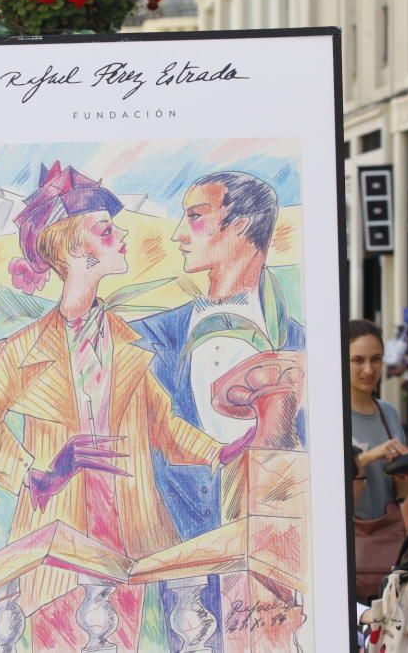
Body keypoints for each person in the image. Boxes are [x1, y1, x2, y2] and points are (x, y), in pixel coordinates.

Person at [0, 162, 237, 642]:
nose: (122, 237)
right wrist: (38, 473)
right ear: (71, 248)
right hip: (58, 534)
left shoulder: (127, 343)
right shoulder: (20, 350)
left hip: (128, 528)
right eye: (106, 230)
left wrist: (223, 451)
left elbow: (165, 428)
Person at [132, 171, 307, 540]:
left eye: (195, 217)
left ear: (240, 226)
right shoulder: (148, 339)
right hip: (177, 557)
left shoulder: (301, 346)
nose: (178, 233)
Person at [349, 320, 408, 593]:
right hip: (347, 550)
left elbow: (398, 494)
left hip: (386, 553)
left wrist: (405, 473)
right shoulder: (331, 416)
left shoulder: (388, 414)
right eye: (358, 360)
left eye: (376, 359)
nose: (369, 370)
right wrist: (368, 458)